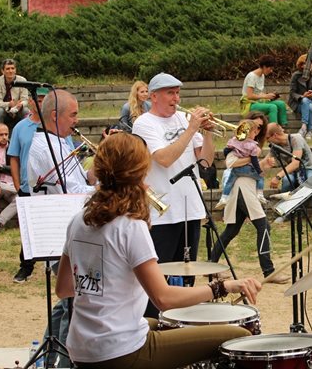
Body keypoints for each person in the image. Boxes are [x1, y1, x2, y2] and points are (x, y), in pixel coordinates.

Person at [55, 132, 262, 368]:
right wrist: (222, 287)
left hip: (82, 346)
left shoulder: (78, 220)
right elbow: (164, 298)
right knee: (238, 336)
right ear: (141, 172)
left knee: (163, 324)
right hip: (118, 351)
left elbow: (64, 288)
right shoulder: (129, 226)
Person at [132, 73, 214, 318]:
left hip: (191, 207)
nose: (176, 98)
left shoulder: (183, 118)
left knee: (187, 274)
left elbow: (206, 161)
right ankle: (152, 324)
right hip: (162, 213)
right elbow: (164, 159)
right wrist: (191, 129)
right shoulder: (144, 123)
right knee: (159, 277)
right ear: (154, 96)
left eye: (178, 92)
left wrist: (207, 132)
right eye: (170, 93)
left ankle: (181, 324)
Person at [27, 89, 96, 368]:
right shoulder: (47, 146)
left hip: (68, 229)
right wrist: (108, 188)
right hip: (59, 230)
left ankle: (48, 356)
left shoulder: (60, 142)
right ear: (54, 116)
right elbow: (74, 191)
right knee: (73, 304)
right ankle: (65, 361)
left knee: (66, 301)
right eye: (74, 114)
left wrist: (102, 169)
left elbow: (81, 179)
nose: (77, 121)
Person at [210, 110, 289, 284]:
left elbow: (252, 171)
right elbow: (231, 163)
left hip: (247, 187)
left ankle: (211, 267)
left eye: (261, 127)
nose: (258, 130)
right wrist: (250, 157)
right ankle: (268, 271)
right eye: (256, 126)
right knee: (264, 227)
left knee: (231, 231)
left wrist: (263, 164)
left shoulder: (251, 144)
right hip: (241, 189)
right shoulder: (237, 142)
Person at [8, 87, 48, 283]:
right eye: (37, 100)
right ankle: (26, 267)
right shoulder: (20, 128)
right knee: (27, 229)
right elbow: (13, 157)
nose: (40, 104)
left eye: (44, 100)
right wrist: (17, 183)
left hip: (50, 186)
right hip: (26, 186)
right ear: (31, 102)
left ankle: (55, 263)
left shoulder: (54, 126)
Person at [266, 123, 312, 219]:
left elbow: (295, 163)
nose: (266, 141)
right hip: (292, 172)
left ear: (275, 135)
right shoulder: (274, 146)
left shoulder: (296, 138)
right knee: (286, 181)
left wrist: (277, 176)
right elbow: (266, 161)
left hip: (308, 168)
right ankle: (285, 213)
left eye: (267, 138)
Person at [215, 119, 266, 209]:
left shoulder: (234, 141)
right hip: (246, 169)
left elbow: (226, 150)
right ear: (250, 133)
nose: (255, 134)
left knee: (229, 183)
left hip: (235, 170)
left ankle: (223, 198)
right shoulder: (253, 145)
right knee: (260, 178)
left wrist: (230, 154)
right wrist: (259, 171)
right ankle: (260, 195)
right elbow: (253, 160)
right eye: (254, 132)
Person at [240, 55, 288, 126]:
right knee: (272, 107)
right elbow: (249, 96)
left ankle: (282, 127)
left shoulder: (262, 76)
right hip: (250, 104)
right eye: (270, 68)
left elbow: (259, 93)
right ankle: (272, 131)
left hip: (259, 102)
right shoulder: (252, 76)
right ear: (264, 66)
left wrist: (269, 96)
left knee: (281, 104)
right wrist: (265, 96)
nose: (271, 71)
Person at [0, 58, 29, 128]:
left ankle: (26, 135)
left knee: (25, 110)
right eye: (8, 69)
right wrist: (9, 104)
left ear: (15, 70)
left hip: (18, 109)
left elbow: (25, 100)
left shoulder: (22, 80)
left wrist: (20, 104)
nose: (10, 71)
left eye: (12, 68)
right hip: (4, 109)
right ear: (2, 71)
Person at [288, 54, 312, 140]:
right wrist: (302, 96)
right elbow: (292, 92)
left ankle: (304, 129)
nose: (308, 65)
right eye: (305, 63)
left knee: (311, 106)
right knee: (307, 103)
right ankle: (308, 129)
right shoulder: (296, 75)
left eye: (310, 63)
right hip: (297, 103)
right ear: (301, 65)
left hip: (308, 102)